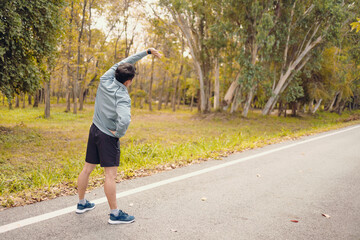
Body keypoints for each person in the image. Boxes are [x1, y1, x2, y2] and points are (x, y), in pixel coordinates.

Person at [76, 48, 162, 224]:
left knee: (87, 168)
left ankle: (81, 203)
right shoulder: (122, 95)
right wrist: (119, 133)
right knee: (110, 176)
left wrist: (147, 52)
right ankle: (115, 214)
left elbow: (127, 60)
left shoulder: (106, 78)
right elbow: (125, 120)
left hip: (94, 129)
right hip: (108, 136)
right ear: (129, 81)